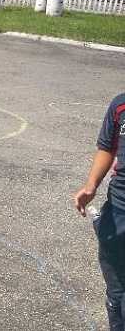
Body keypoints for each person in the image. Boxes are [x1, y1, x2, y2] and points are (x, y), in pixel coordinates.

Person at [74, 93, 125, 329]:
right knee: (117, 292)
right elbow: (107, 147)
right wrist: (91, 184)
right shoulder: (120, 105)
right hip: (118, 212)